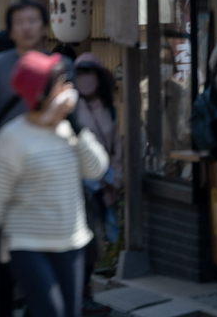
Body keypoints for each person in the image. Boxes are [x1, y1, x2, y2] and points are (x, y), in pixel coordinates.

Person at [0, 52, 109, 317]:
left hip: (71, 241)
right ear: (40, 92)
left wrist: (76, 127)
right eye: (61, 81)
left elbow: (97, 169)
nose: (68, 86)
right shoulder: (12, 136)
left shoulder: (69, 129)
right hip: (27, 243)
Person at [0, 0, 50, 199]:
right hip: (5, 159)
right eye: (19, 22)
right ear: (11, 30)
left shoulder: (60, 66)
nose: (26, 28)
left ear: (45, 28)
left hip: (50, 156)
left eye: (32, 21)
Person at [74, 53, 123, 314]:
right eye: (80, 72)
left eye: (89, 72)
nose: (85, 78)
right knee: (82, 243)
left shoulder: (109, 107)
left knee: (96, 243)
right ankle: (78, 295)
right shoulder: (69, 107)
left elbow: (117, 149)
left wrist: (114, 180)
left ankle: (85, 294)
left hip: (104, 186)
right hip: (77, 186)